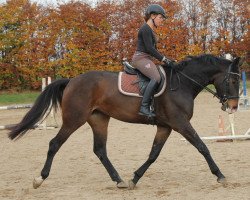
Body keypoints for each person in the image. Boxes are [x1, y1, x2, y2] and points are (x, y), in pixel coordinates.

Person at [132, 4, 175, 117]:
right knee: (156, 77)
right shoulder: (145, 28)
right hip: (140, 58)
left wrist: (167, 60)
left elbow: (154, 50)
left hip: (146, 58)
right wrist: (164, 59)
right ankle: (144, 107)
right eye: (161, 18)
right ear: (152, 16)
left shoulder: (151, 30)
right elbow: (150, 49)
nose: (162, 21)